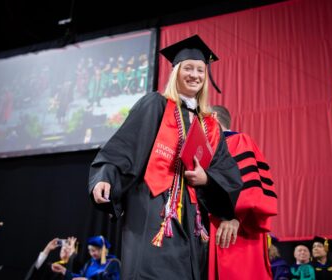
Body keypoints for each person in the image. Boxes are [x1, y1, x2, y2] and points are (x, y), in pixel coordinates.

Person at [88, 34, 243, 280]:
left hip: (193, 220)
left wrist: (207, 180)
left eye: (200, 70)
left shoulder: (211, 126)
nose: (195, 75)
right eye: (188, 68)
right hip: (152, 208)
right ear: (176, 72)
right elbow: (124, 144)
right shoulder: (156, 105)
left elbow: (228, 174)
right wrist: (105, 175)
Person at [208, 105, 278, 280]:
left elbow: (252, 189)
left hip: (236, 231)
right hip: (210, 230)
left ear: (213, 117)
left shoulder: (237, 141)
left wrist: (235, 217)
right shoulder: (206, 148)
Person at [52, 235, 121, 280]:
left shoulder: (113, 263)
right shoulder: (90, 262)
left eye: (93, 250)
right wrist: (64, 270)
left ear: (103, 250)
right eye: (90, 251)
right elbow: (81, 277)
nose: (91, 254)